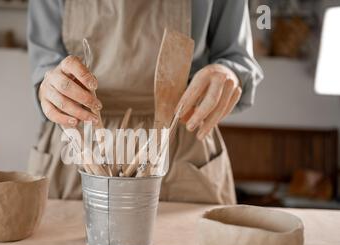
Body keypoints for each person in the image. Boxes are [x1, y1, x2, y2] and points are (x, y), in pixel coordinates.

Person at [27, 0, 263, 204]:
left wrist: (228, 73)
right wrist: (50, 86)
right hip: (78, 143)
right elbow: (45, 64)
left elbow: (237, 58)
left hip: (182, 141)